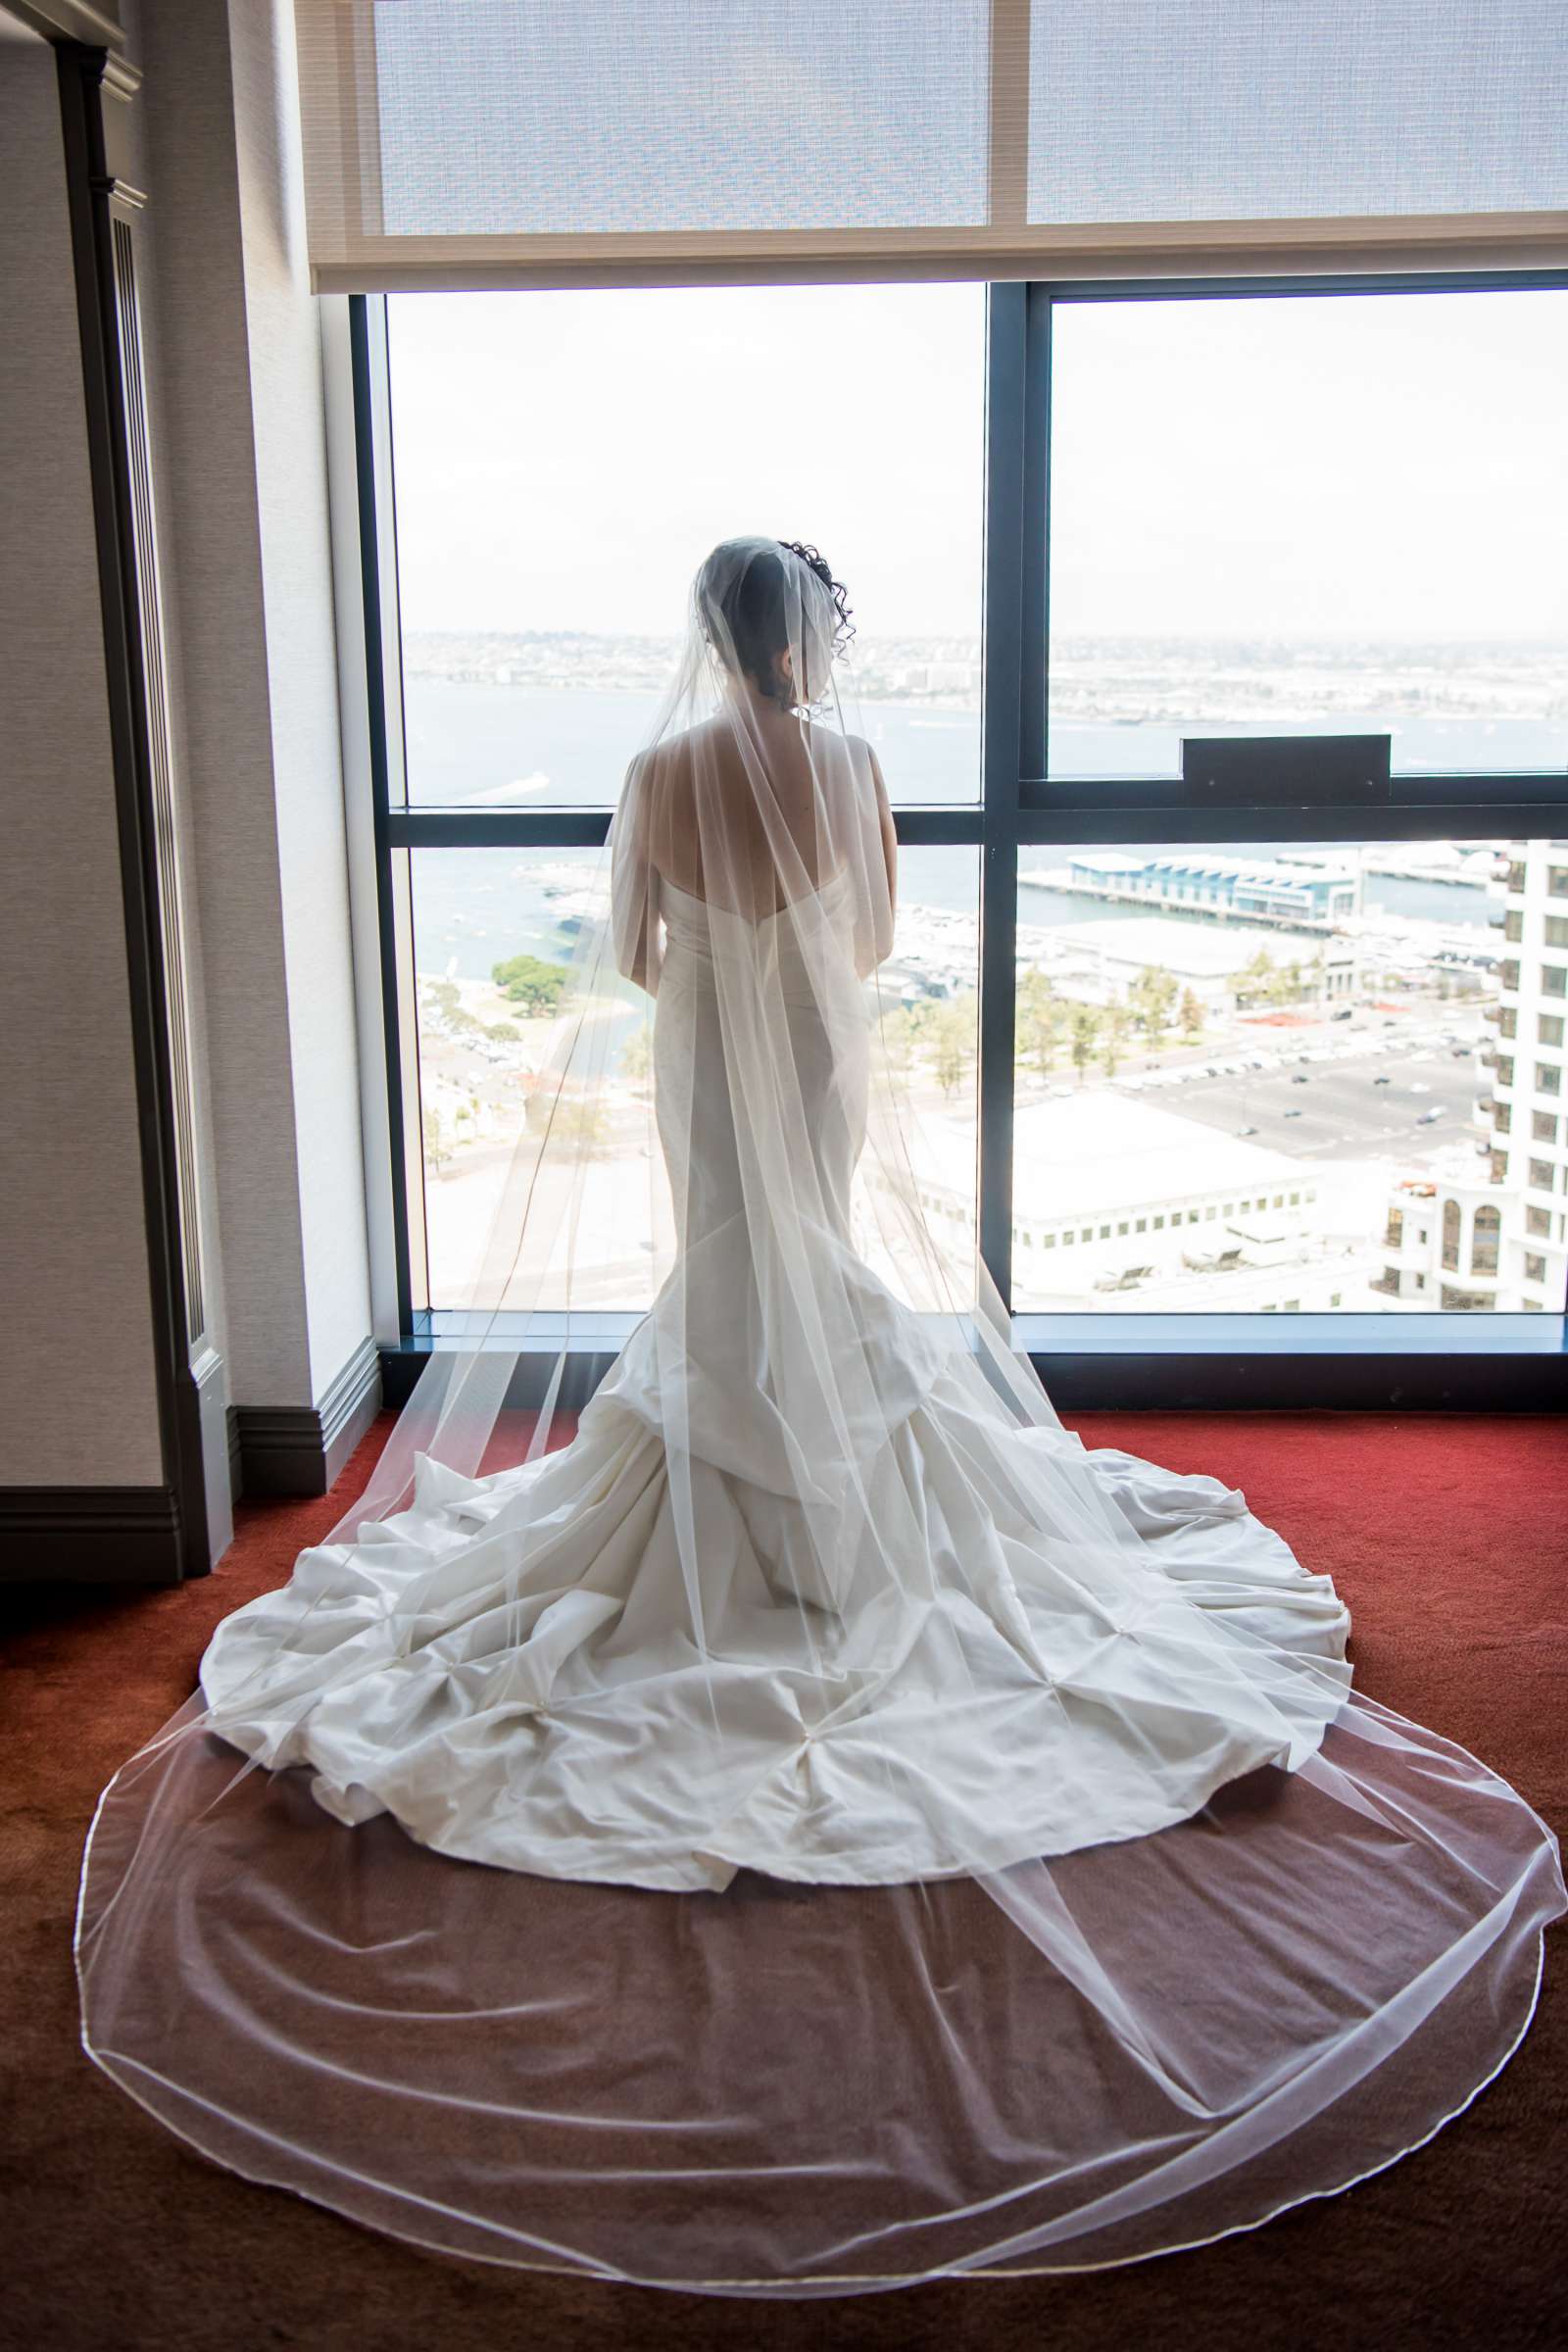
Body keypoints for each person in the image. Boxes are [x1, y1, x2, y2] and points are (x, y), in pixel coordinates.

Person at [76, 537, 1564, 2294]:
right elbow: (865, 940)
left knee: (723, 1268)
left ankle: (731, 1508)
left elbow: (634, 950)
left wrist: (715, 959)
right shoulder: (856, 765)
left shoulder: (654, 769)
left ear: (709, 637)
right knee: (819, 1259)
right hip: (815, 1060)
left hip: (715, 1063)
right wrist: (790, 967)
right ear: (817, 638)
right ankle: (837, 1520)